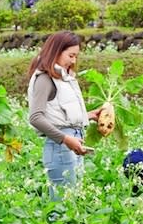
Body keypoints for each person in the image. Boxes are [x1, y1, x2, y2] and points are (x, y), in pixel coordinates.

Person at [27, 31, 100, 199]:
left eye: (76, 56)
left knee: (73, 201)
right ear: (56, 52)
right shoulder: (45, 78)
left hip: (72, 142)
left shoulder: (62, 77)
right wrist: (66, 140)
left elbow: (60, 116)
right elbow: (35, 117)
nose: (73, 61)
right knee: (61, 204)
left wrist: (89, 115)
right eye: (71, 56)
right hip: (61, 146)